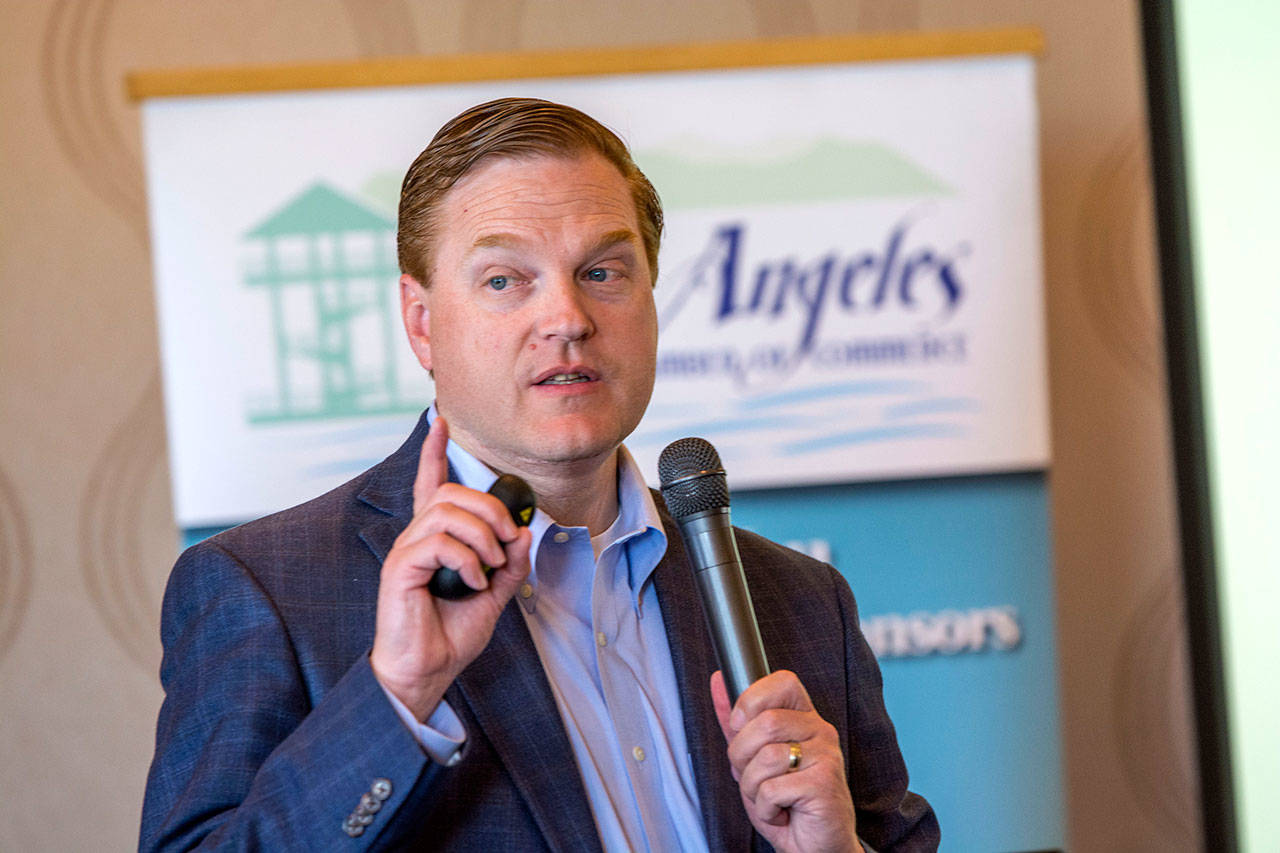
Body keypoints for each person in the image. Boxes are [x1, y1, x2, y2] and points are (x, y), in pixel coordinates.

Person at [140, 97, 939, 852]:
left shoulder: (800, 598)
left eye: (602, 272)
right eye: (504, 280)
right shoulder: (264, 589)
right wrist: (396, 698)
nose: (567, 317)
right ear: (422, 323)